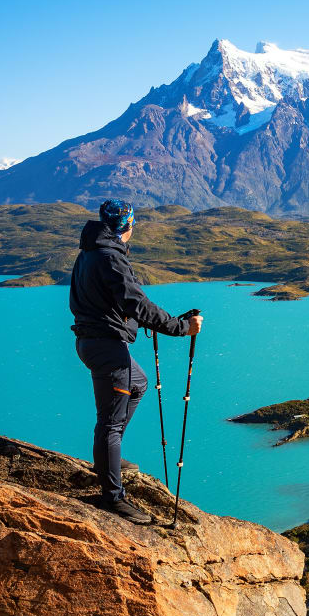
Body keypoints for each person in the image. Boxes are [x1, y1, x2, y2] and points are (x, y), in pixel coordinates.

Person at [70, 199, 203, 523]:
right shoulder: (110, 257)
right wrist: (181, 328)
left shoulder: (89, 252)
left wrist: (162, 321)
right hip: (107, 349)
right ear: (129, 225)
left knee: (139, 384)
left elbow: (116, 304)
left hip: (95, 341)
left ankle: (108, 460)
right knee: (110, 423)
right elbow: (136, 303)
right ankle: (112, 497)